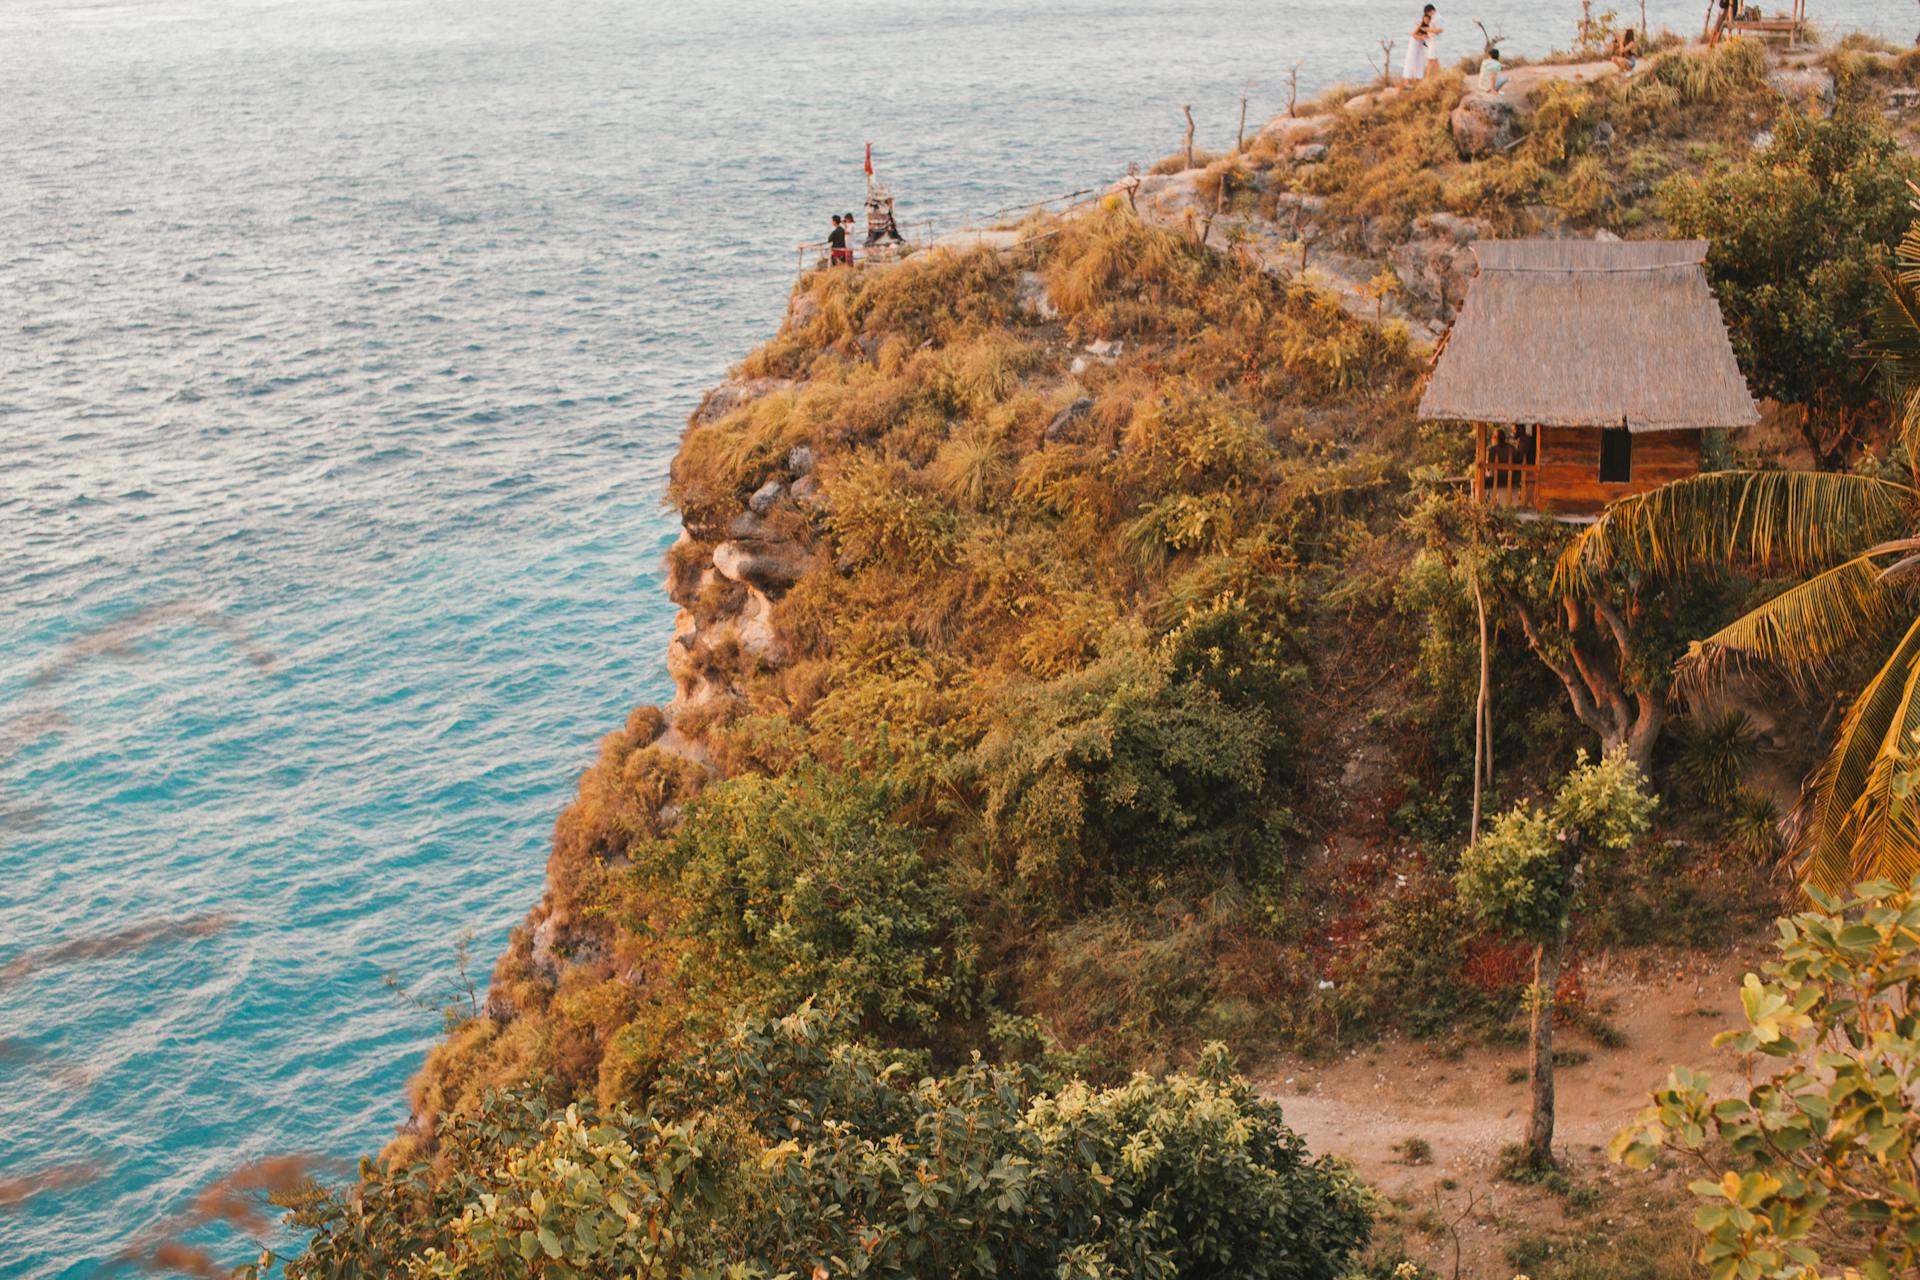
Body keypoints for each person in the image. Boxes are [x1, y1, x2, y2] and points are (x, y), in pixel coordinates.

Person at [1403, 5, 1442, 82]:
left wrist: (1426, 35)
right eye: (1425, 19)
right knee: (1411, 59)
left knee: (1421, 60)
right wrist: (1422, 37)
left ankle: (1419, 78)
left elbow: (1433, 32)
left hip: (1421, 44)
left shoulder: (1429, 26)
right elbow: (1413, 34)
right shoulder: (1421, 24)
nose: (1426, 20)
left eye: (1427, 19)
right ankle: (1408, 79)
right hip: (1414, 42)